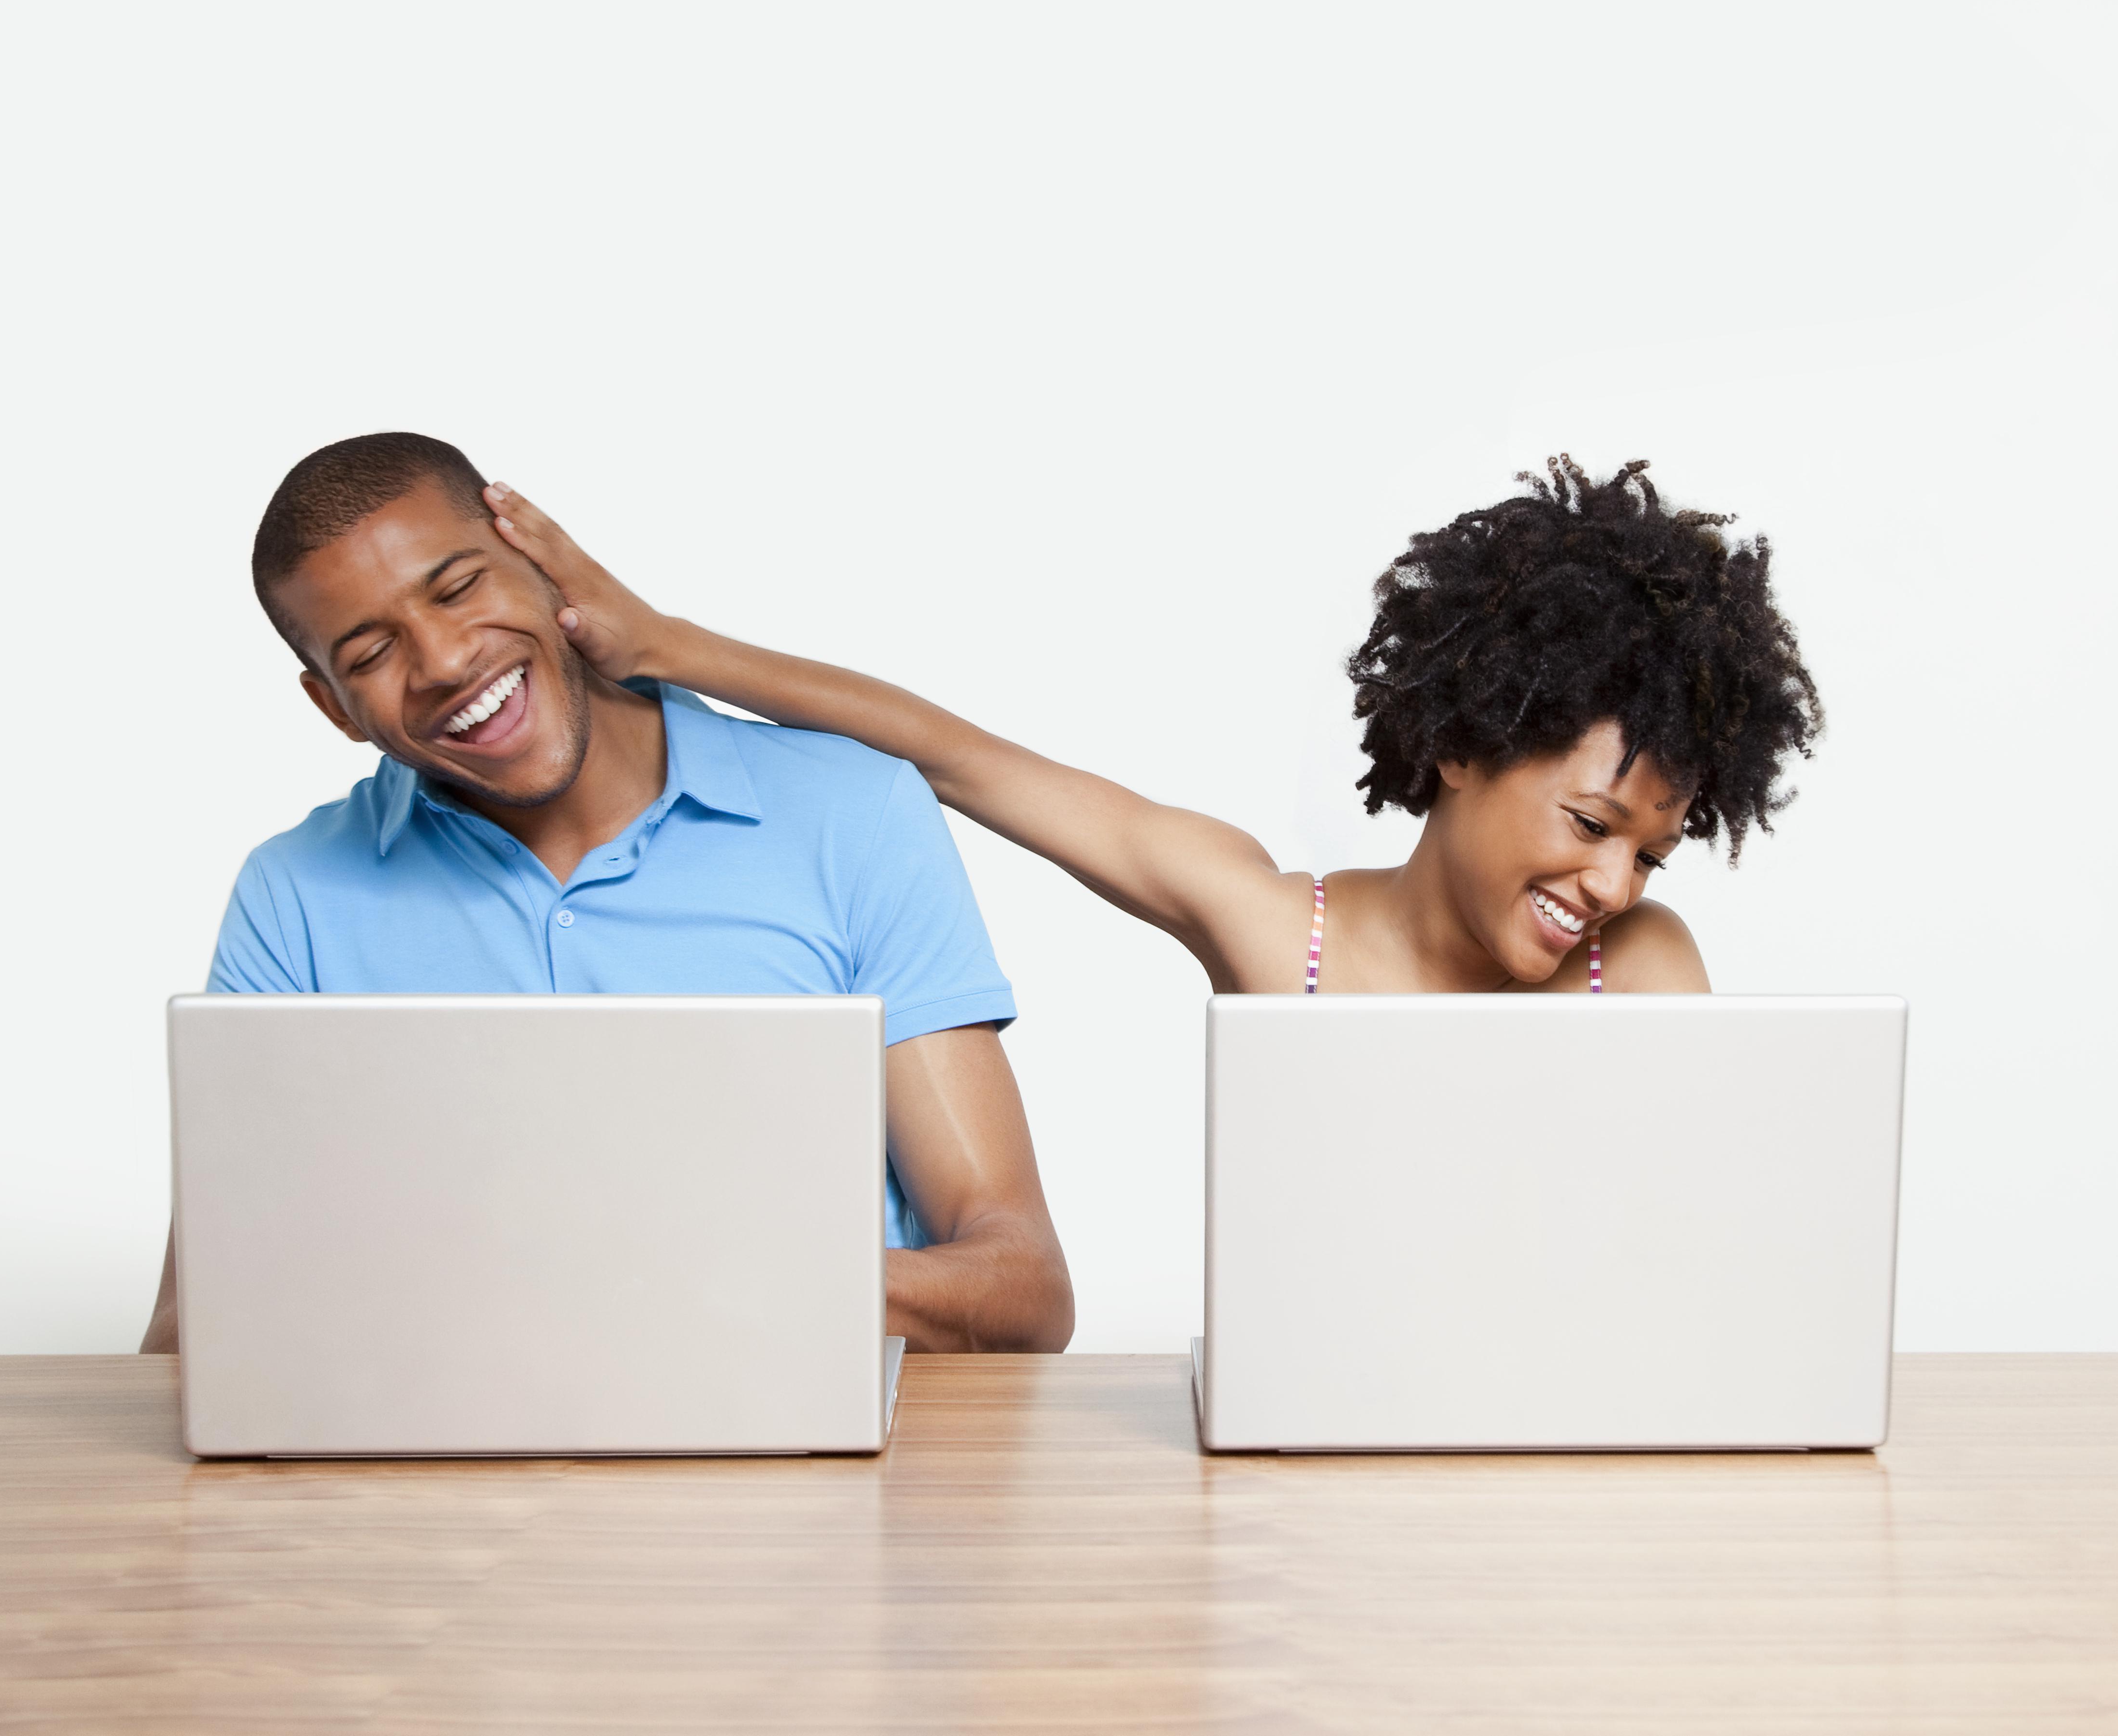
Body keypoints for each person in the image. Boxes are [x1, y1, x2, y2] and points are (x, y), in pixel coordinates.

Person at [141, 434, 1073, 1356]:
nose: (443, 661)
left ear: (547, 565)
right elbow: (195, 1333)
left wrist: (707, 1278)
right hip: (447, 1484)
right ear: (334, 706)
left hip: (810, 1478)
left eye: (459, 587)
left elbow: (1021, 1286)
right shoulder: (292, 897)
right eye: (373, 649)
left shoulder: (851, 814)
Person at [473, 456, 1821, 1002]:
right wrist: (661, 647)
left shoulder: (1638, 969)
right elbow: (959, 756)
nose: (1611, 885)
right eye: (1592, 826)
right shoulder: (1265, 926)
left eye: (1648, 854)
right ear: (1464, 743)